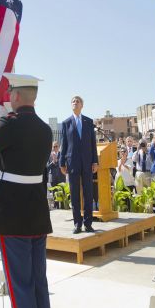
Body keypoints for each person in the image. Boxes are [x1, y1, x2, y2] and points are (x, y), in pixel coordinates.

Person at [0, 74, 53, 308]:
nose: (8, 98)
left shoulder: (7, 124)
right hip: (37, 212)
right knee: (38, 281)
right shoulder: (45, 129)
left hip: (13, 212)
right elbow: (18, 161)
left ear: (16, 96)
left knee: (20, 284)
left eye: (10, 93)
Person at [59, 95, 98, 234]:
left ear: (82, 105)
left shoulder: (88, 122)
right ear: (71, 105)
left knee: (88, 193)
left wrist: (95, 161)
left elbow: (93, 143)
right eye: (73, 101)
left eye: (78, 101)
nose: (75, 103)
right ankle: (77, 224)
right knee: (75, 195)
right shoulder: (66, 123)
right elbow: (64, 144)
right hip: (72, 163)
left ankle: (88, 223)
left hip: (87, 162)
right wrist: (62, 162)